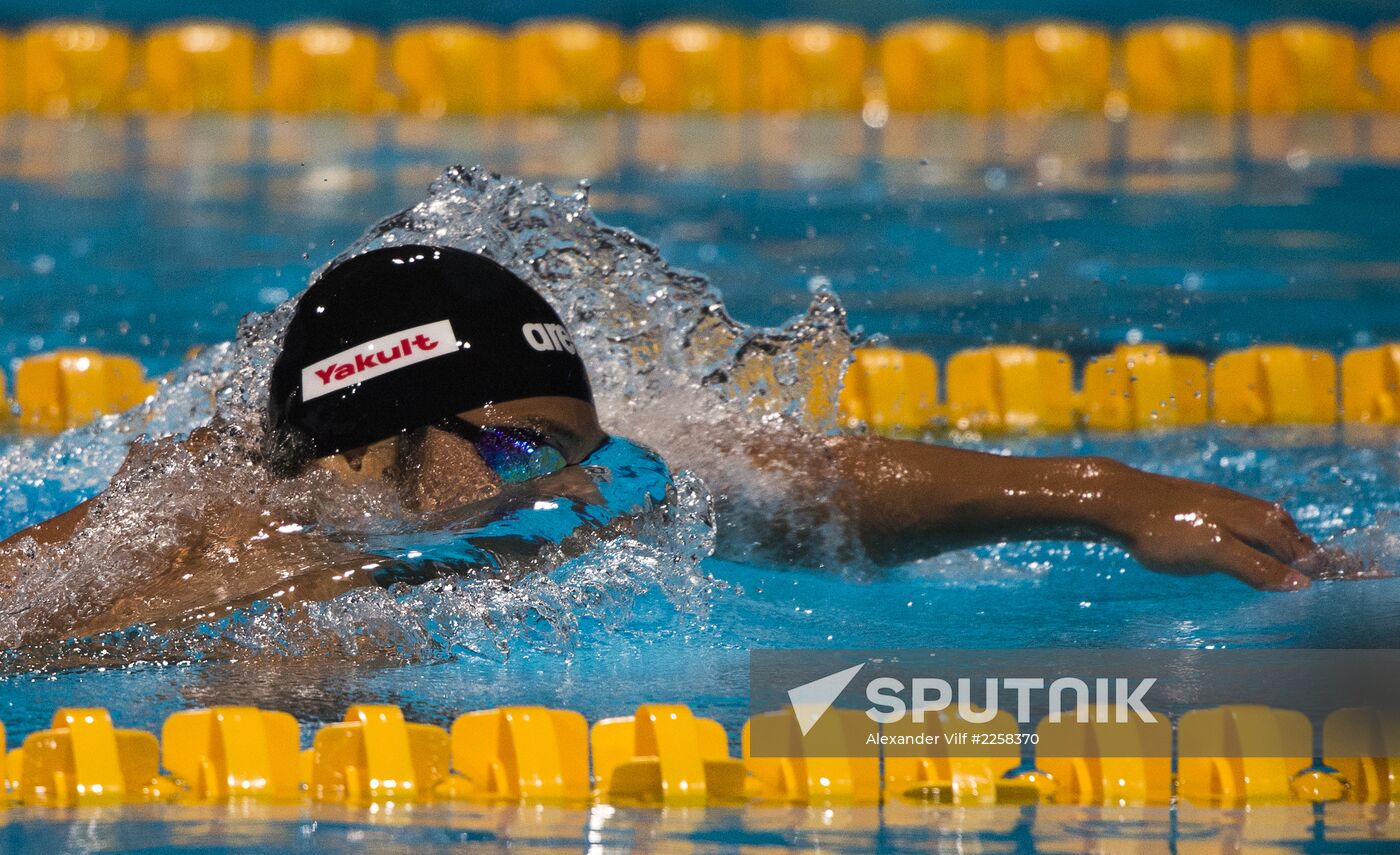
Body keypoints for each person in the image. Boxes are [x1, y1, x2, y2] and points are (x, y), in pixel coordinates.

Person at [1, 244, 1319, 640]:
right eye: (525, 454)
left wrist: (1105, 492)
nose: (581, 485)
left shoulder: (553, 479)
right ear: (370, 443)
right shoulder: (198, 560)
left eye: (582, 441)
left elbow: (811, 488)